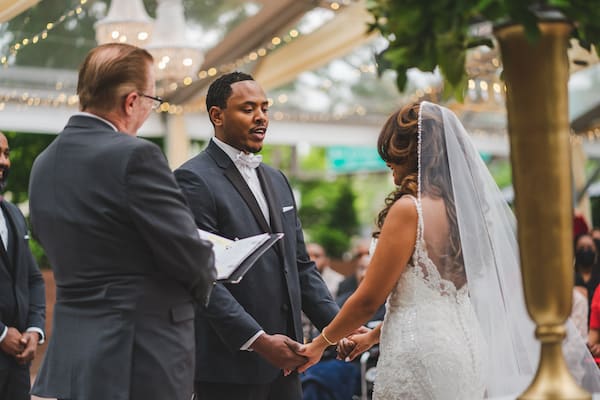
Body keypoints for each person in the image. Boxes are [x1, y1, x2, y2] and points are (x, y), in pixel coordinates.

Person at [295, 101, 600, 399]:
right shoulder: (469, 215)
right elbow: (432, 298)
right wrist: (373, 337)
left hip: (420, 356)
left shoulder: (409, 209)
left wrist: (320, 343)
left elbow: (368, 300)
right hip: (467, 348)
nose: (393, 175)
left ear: (413, 157)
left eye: (394, 163)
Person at [28, 43, 217, 400]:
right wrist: (206, 271)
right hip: (139, 352)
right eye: (152, 99)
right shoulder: (136, 155)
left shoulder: (44, 163)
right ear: (131, 101)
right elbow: (189, 254)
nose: (150, 109)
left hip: (72, 353)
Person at [174, 71, 339, 400]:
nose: (261, 117)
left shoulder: (277, 179)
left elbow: (300, 266)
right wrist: (258, 339)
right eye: (248, 109)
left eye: (265, 108)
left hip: (288, 361)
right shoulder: (192, 179)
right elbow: (201, 278)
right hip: (230, 365)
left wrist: (338, 327)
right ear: (217, 116)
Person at [0, 132, 46, 400]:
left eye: (6, 154)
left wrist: (34, 330)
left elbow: (33, 279)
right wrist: (2, 333)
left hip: (17, 366)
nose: (3, 161)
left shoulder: (14, 214)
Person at [574, 233, 600, 307]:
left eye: (589, 247)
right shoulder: (568, 280)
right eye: (582, 247)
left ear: (596, 252)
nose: (585, 250)